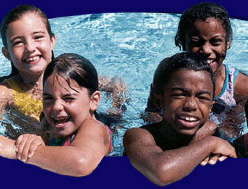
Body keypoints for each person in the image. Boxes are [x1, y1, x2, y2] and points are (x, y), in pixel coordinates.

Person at [0, 4, 127, 139]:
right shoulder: (5, 92)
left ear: (52, 40)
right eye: (18, 42)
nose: (30, 48)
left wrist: (116, 115)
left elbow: (117, 85)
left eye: (37, 37)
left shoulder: (72, 77)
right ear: (7, 53)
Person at [124, 52, 237, 186]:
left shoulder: (211, 130)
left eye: (202, 98)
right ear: (158, 101)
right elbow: (160, 173)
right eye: (179, 95)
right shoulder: (138, 135)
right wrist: (211, 144)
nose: (191, 105)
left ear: (211, 107)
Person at [145, 2, 248, 143]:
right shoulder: (169, 75)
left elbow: (230, 134)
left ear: (228, 42)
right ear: (183, 42)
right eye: (196, 43)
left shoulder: (240, 88)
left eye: (216, 42)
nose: (206, 50)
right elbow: (151, 115)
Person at [0, 53, 112, 176]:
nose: (56, 106)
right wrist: (30, 142)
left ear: (94, 100)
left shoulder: (94, 128)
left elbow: (81, 162)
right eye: (48, 98)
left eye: (68, 98)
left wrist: (16, 149)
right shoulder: (49, 125)